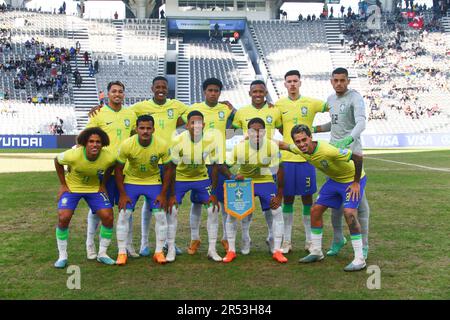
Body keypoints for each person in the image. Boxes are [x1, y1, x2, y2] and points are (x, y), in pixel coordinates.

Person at [89, 76, 189, 257]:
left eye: (163, 87)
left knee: (164, 204)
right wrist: (98, 107)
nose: (160, 89)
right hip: (132, 163)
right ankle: (143, 243)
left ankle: (167, 243)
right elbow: (120, 114)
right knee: (134, 205)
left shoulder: (176, 105)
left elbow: (194, 115)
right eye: (157, 87)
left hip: (165, 160)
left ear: (167, 89)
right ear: (152, 89)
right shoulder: (138, 108)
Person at [278, 124, 367, 271]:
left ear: (311, 137)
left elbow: (357, 157)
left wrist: (356, 182)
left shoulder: (327, 150)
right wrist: (257, 138)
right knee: (315, 210)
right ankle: (317, 251)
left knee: (349, 213)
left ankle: (359, 258)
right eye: (298, 141)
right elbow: (282, 144)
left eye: (304, 139)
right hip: (334, 180)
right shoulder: (301, 150)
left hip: (352, 180)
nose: (301, 144)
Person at [314, 67, 370, 259]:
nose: (339, 83)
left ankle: (364, 245)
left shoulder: (355, 97)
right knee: (336, 202)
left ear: (348, 81)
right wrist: (316, 128)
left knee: (359, 203)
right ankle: (338, 239)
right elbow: (335, 123)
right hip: (334, 153)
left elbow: (361, 123)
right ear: (331, 81)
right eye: (336, 80)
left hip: (352, 153)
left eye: (342, 80)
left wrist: (348, 140)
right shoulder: (330, 99)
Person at [275, 70, 328, 254]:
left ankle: (309, 241)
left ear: (300, 83)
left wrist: (317, 129)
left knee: (307, 200)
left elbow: (333, 107)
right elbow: (277, 125)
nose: (292, 84)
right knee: (287, 199)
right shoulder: (279, 104)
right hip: (288, 159)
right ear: (284, 84)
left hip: (307, 159)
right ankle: (287, 242)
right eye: (289, 81)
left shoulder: (311, 102)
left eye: (295, 81)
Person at [220, 118, 287, 263]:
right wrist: (232, 175)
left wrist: (279, 195)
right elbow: (223, 165)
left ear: (264, 131)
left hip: (265, 179)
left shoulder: (272, 146)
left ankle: (277, 250)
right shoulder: (239, 147)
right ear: (248, 132)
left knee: (277, 211)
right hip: (245, 181)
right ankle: (232, 249)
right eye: (253, 130)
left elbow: (279, 170)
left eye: (259, 130)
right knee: (232, 213)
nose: (256, 133)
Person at [182, 78, 236, 257]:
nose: (213, 93)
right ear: (204, 91)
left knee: (222, 203)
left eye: (216, 90)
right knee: (197, 204)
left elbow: (240, 123)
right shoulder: (193, 109)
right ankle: (195, 238)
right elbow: (181, 125)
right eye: (210, 90)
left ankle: (225, 238)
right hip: (200, 163)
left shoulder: (225, 109)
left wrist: (232, 110)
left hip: (220, 163)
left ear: (220, 93)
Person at [85, 81, 137, 261]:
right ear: (107, 94)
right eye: (114, 91)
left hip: (125, 170)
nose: (117, 94)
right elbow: (87, 138)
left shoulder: (130, 114)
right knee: (98, 210)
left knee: (126, 209)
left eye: (120, 91)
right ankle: (90, 245)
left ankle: (128, 245)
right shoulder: (98, 113)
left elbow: (133, 137)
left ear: (124, 94)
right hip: (103, 170)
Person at [54, 127, 117, 268]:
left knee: (108, 217)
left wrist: (103, 184)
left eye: (98, 142)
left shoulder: (109, 157)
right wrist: (63, 184)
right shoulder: (73, 155)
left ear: (103, 143)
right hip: (72, 188)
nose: (95, 144)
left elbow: (112, 166)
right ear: (85, 143)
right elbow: (57, 160)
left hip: (94, 189)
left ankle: (102, 254)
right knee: (64, 217)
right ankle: (62, 256)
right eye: (91, 141)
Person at [115, 115, 173, 265]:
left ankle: (159, 252)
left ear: (153, 129)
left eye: (148, 128)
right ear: (136, 129)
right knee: (123, 215)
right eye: (142, 128)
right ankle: (122, 252)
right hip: (131, 182)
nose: (145, 131)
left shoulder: (162, 145)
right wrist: (122, 194)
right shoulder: (127, 144)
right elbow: (118, 169)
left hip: (153, 182)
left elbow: (168, 170)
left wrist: (163, 194)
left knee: (160, 215)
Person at [232, 80, 282, 254]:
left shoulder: (274, 110)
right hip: (248, 160)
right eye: (255, 91)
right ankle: (246, 238)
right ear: (250, 93)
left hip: (267, 162)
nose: (258, 94)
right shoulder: (241, 112)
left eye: (261, 91)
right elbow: (232, 131)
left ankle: (272, 237)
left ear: (266, 92)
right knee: (246, 208)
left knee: (270, 207)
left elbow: (283, 129)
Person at [168, 110, 221, 262]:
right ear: (187, 125)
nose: (196, 125)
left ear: (203, 125)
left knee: (213, 209)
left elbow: (216, 167)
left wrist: (214, 192)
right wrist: (172, 195)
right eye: (193, 122)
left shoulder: (211, 140)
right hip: (181, 178)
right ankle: (170, 248)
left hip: (201, 178)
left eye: (199, 123)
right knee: (172, 210)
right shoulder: (178, 140)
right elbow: (171, 168)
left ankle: (212, 249)